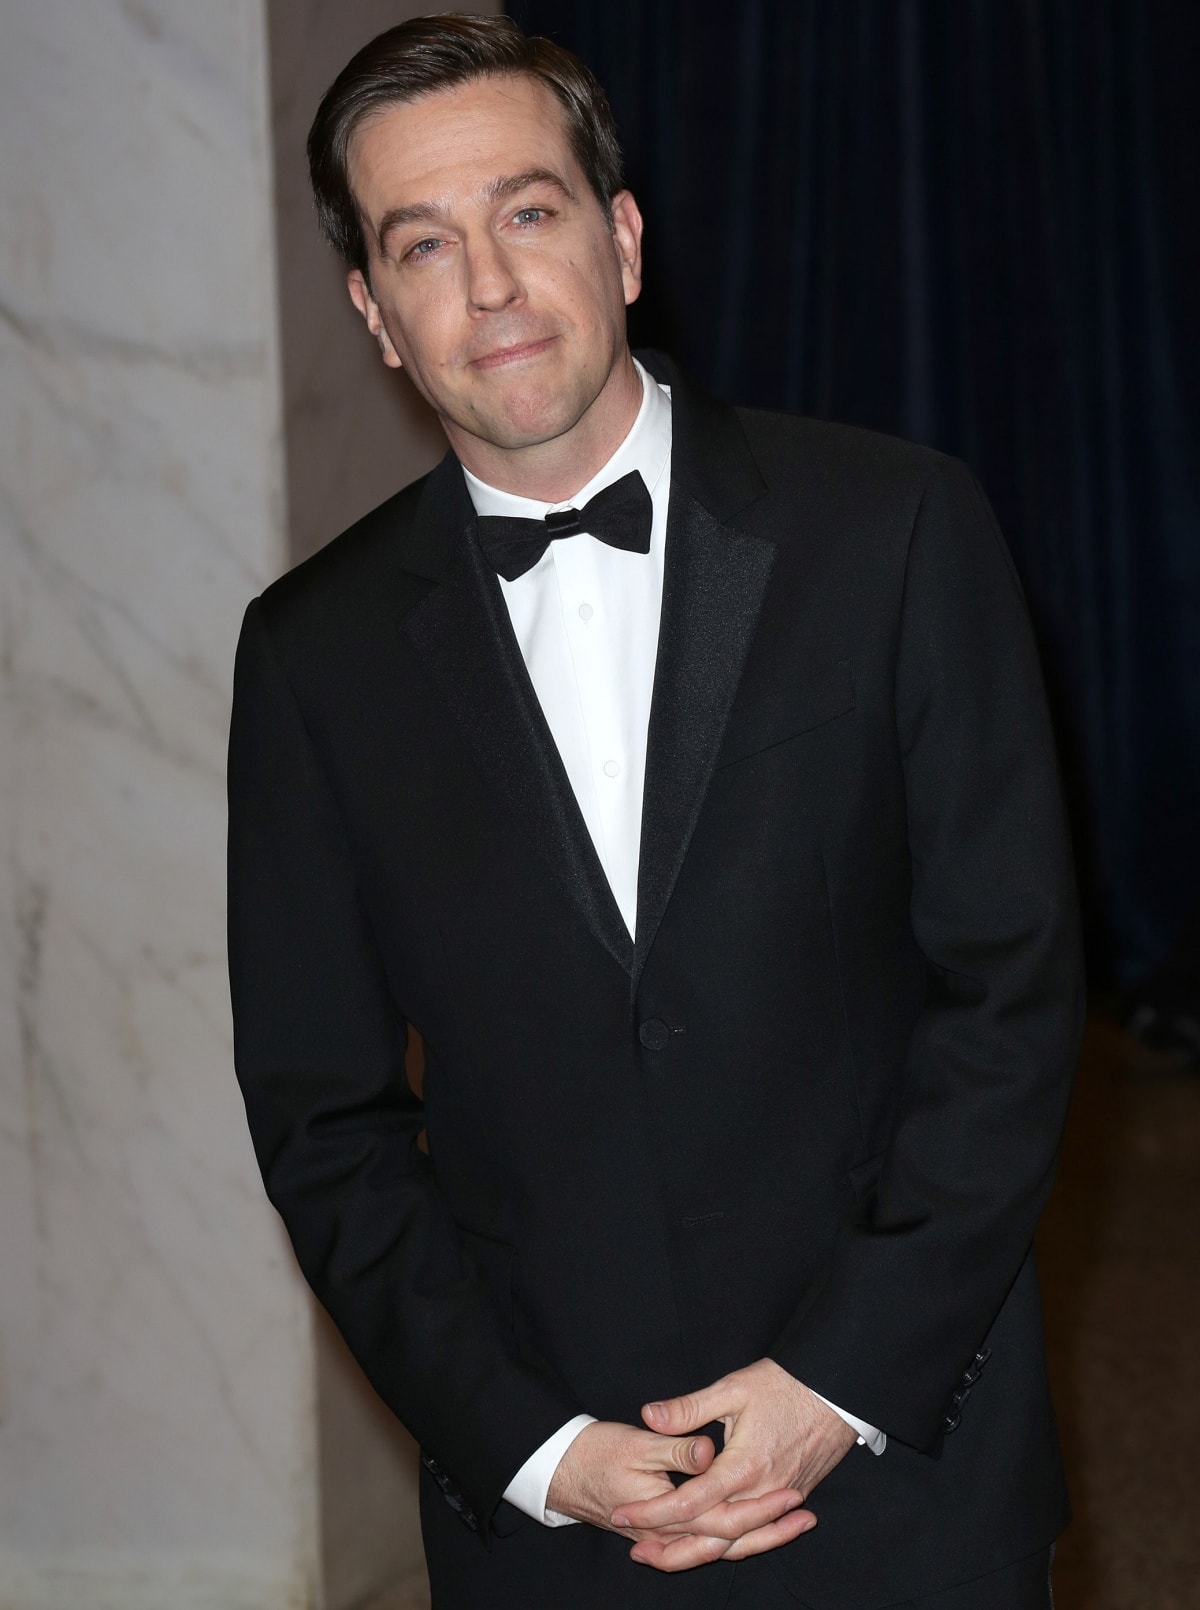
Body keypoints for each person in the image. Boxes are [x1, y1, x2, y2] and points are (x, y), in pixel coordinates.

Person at [227, 15, 1083, 1608]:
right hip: (549, 1527)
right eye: (424, 244)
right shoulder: (306, 656)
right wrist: (532, 1441)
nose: (488, 284)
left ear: (622, 239)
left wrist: (836, 1383)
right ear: (375, 316)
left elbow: (1012, 997)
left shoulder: (895, 531)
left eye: (528, 211)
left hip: (904, 1476)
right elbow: (323, 1121)